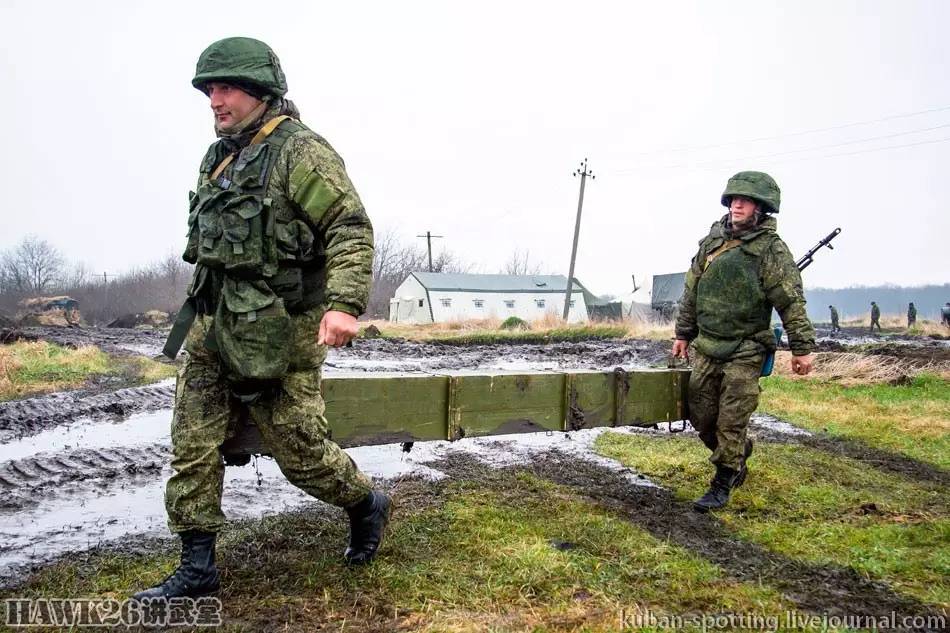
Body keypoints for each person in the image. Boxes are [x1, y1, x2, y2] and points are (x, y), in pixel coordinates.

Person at [134, 37, 390, 600]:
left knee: (300, 454)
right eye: (209, 90)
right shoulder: (218, 156)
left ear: (259, 91)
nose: (213, 101)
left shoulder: (302, 152)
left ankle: (365, 502)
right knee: (192, 444)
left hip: (280, 332)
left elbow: (349, 227)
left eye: (224, 88)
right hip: (212, 327)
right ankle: (197, 566)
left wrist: (344, 304)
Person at [672, 171, 815, 512]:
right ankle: (737, 453)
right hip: (708, 344)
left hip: (747, 347)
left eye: (745, 200)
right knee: (700, 413)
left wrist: (802, 348)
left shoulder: (770, 250)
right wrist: (682, 334)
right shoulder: (712, 242)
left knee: (731, 419)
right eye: (733, 199)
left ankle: (724, 480)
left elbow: (790, 301)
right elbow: (692, 291)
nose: (737, 205)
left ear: (761, 208)